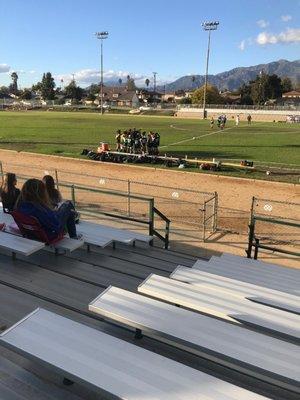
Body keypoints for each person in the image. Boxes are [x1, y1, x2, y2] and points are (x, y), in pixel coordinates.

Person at [16, 179, 80, 241]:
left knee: (69, 212)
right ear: (40, 193)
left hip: (33, 233)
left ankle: (74, 224)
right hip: (51, 235)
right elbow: (54, 223)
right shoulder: (39, 209)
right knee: (68, 204)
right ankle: (75, 226)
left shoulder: (21, 206)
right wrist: (55, 212)